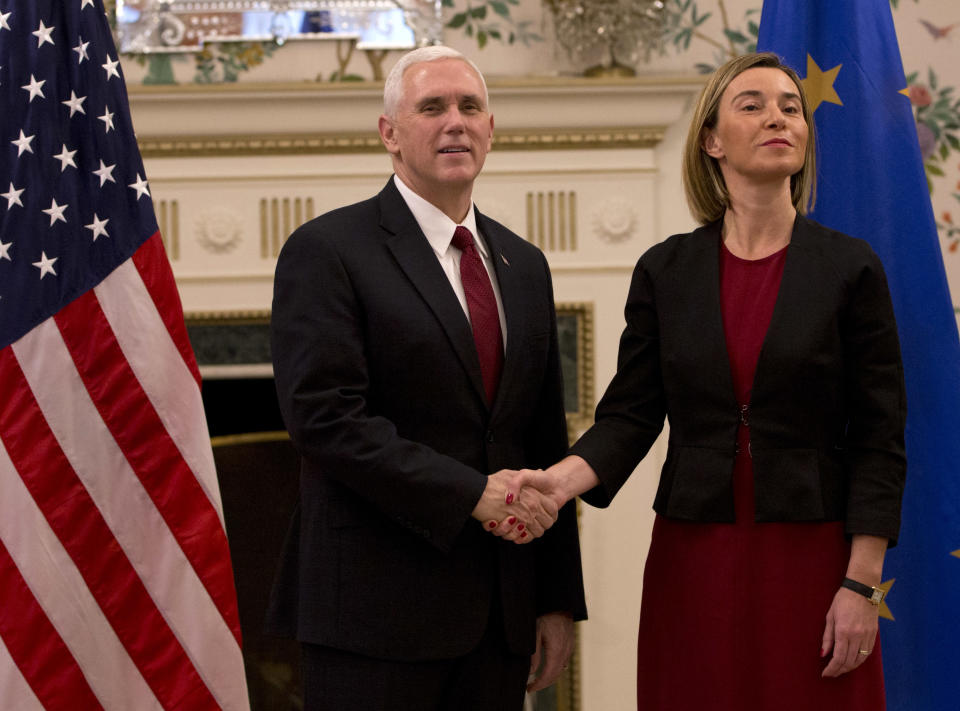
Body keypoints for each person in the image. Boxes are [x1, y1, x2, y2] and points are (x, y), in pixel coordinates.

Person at [493, 52, 906, 710]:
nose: (778, 116)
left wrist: (861, 585)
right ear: (712, 139)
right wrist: (557, 481)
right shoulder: (667, 270)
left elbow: (880, 437)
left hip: (812, 557)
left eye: (790, 106)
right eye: (753, 104)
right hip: (694, 558)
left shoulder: (850, 269)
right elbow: (629, 416)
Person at [265, 46, 586, 710]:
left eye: (470, 107)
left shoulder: (523, 264)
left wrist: (557, 598)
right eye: (432, 107)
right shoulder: (328, 251)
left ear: (491, 128)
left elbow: (542, 435)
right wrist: (472, 492)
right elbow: (324, 419)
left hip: (499, 619)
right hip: (371, 616)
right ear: (389, 133)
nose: (455, 123)